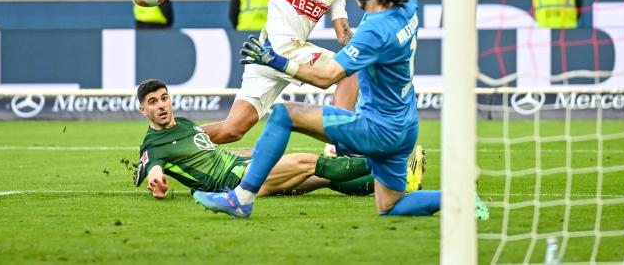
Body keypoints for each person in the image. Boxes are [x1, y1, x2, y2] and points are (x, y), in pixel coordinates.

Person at [193, 0, 489, 220]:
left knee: (284, 114)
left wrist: (276, 61)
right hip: (405, 126)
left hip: (376, 127)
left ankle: (243, 198)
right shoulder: (407, 3)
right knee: (391, 206)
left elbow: (328, 77)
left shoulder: (372, 33)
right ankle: (460, 197)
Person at [198, 0, 358, 145]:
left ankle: (170, 140)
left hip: (265, 57)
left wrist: (361, 41)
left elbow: (343, 35)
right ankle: (340, 143)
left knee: (232, 130)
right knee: (349, 71)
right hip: (280, 49)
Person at [133, 78, 425, 199]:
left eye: (164, 98)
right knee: (309, 162)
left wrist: (254, 152)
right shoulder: (153, 145)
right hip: (233, 182)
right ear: (143, 109)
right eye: (153, 102)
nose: (161, 105)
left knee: (326, 178)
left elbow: (213, 147)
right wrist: (155, 180)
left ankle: (398, 184)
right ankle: (393, 163)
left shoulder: (183, 125)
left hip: (240, 167)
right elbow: (152, 167)